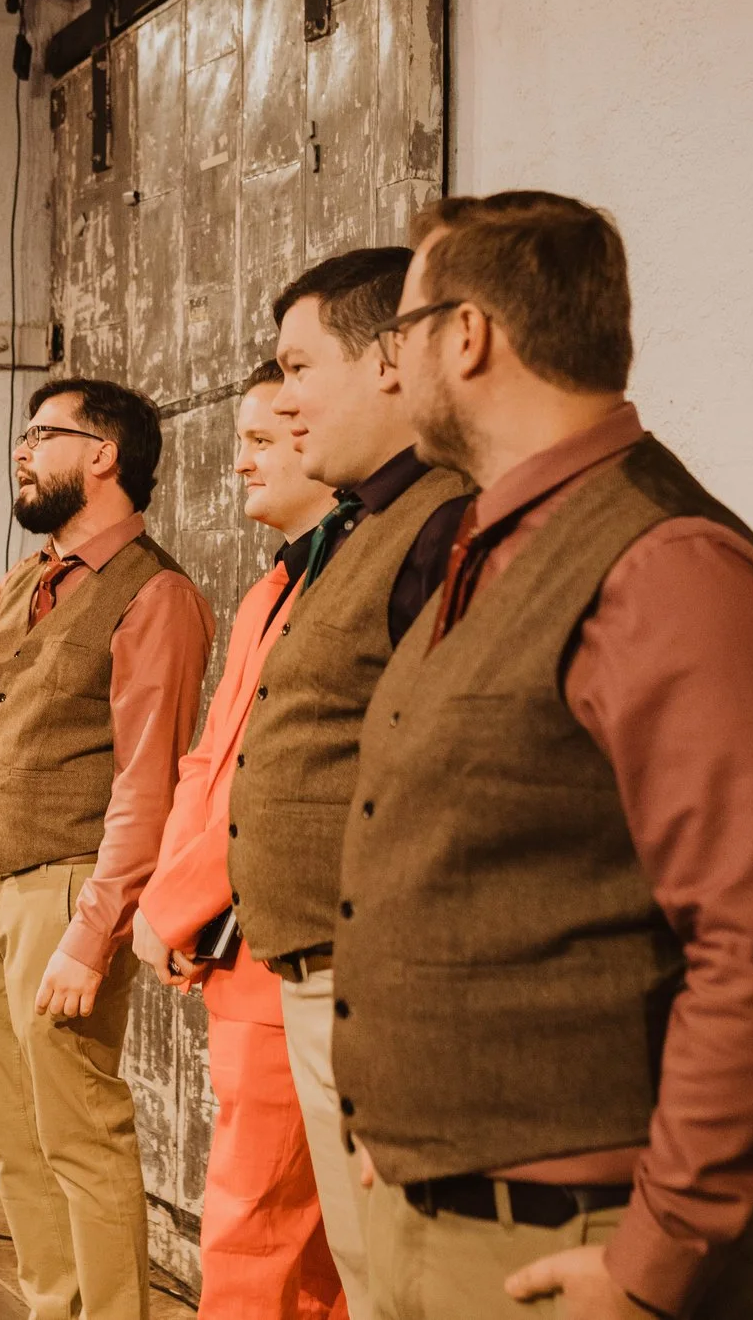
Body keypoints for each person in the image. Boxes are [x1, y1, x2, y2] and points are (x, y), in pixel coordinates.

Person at [332, 193, 753, 1320]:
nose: (390, 371)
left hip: (577, 1246)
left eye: (401, 336)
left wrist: (653, 1263)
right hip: (442, 1209)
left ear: (466, 336)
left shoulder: (664, 562)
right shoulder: (496, 538)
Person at [0, 379, 216, 1319]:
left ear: (103, 453)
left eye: (44, 433)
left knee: (81, 1131)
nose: (21, 449)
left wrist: (91, 931)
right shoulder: (31, 575)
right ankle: (51, 1305)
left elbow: (150, 786)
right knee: (14, 1133)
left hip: (70, 891)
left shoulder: (157, 594)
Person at [229, 249, 474, 1318]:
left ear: (389, 361)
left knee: (396, 1278)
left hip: (377, 972)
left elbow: (442, 765)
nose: (282, 401)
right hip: (322, 965)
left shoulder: (442, 520)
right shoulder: (368, 523)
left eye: (297, 365)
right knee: (371, 1271)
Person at [132, 361, 347, 1320]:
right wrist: (171, 898)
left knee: (256, 1230)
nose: (240, 464)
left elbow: (280, 785)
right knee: (274, 1223)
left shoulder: (341, 585)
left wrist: (173, 901)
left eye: (261, 440)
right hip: (235, 940)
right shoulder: (271, 589)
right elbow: (207, 764)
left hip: (288, 945)